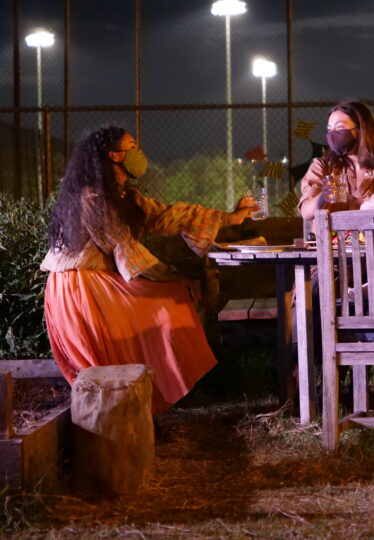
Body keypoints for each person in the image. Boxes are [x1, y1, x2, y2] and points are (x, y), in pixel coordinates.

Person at [41, 126, 256, 415]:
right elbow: (124, 246)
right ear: (114, 155)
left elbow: (170, 215)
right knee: (168, 301)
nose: (139, 153)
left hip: (100, 280)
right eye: (132, 146)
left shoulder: (124, 197)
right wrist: (172, 274)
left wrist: (232, 217)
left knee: (174, 299)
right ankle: (128, 407)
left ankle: (145, 400)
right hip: (79, 285)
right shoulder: (94, 198)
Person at [298, 101, 374, 225]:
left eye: (339, 127)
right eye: (329, 129)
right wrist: (323, 196)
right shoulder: (323, 167)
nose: (332, 134)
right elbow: (306, 213)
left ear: (360, 129)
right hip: (333, 243)